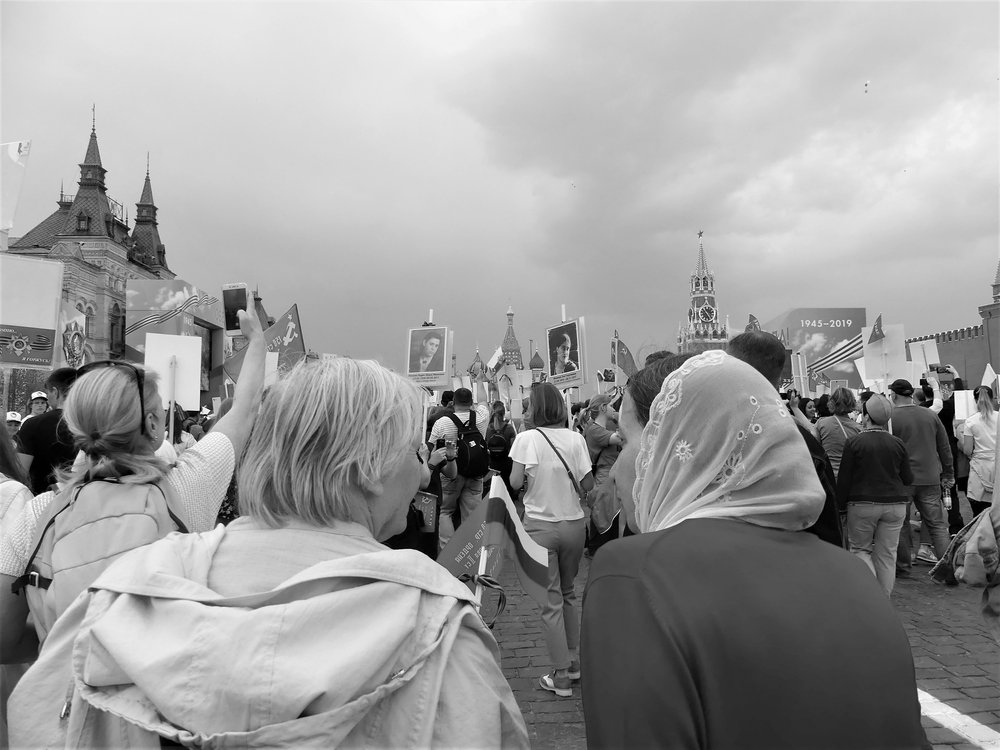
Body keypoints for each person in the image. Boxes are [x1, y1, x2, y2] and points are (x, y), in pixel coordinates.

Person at [9, 356, 528, 749]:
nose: (421, 472)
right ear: (367, 469)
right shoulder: (441, 635)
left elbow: (37, 718)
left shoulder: (120, 593)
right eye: (412, 454)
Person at [581, 351, 928, 748]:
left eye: (627, 440)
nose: (621, 462)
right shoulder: (852, 572)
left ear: (669, 449)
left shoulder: (632, 576)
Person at [0, 310, 266, 661]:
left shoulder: (39, 512)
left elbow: (4, 637)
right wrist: (258, 343)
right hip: (155, 705)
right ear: (154, 426)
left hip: (63, 704)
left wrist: (64, 649)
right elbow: (244, 409)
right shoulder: (186, 487)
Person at [509, 382, 594, 698]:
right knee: (569, 592)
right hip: (574, 524)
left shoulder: (525, 439)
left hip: (540, 526)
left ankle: (560, 676)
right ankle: (573, 663)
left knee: (550, 601)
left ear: (536, 409)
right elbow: (586, 482)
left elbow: (516, 481)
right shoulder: (575, 439)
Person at [728, 331, 843, 547]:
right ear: (779, 375)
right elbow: (830, 529)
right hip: (794, 563)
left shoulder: (710, 436)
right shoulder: (803, 443)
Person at [837, 394, 913, 595]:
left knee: (860, 550)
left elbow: (844, 479)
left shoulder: (854, 443)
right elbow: (908, 478)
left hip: (862, 503)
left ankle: (871, 596)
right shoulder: (897, 443)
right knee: (887, 554)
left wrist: (840, 505)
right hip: (896, 504)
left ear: (865, 415)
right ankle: (884, 599)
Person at [888, 378, 954, 574]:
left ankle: (903, 566)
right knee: (937, 524)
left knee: (900, 523)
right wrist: (948, 472)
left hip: (902, 479)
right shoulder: (930, 415)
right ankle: (947, 567)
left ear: (893, 395)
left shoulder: (889, 418)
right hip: (930, 476)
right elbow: (944, 447)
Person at [428, 387, 490, 550]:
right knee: (471, 517)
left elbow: (430, 447)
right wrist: (478, 380)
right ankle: (470, 554)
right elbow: (484, 401)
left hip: (450, 473)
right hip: (476, 473)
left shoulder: (442, 422)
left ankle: (449, 552)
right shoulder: (481, 418)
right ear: (471, 403)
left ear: (453, 402)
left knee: (445, 512)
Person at [14, 370, 79, 494]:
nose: (48, 399)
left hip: (42, 503)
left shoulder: (32, 424)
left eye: (48, 393)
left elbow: (20, 472)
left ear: (55, 391)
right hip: (84, 502)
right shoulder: (94, 424)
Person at [958, 385, 996, 515]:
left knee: (979, 511)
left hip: (980, 468)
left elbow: (968, 450)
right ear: (993, 398)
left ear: (975, 401)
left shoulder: (970, 422)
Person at [815, 387, 862, 479]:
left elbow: (816, 448)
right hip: (851, 478)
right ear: (852, 403)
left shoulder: (821, 423)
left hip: (828, 477)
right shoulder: (859, 429)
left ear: (831, 403)